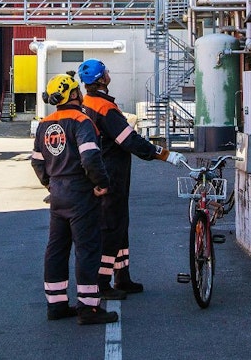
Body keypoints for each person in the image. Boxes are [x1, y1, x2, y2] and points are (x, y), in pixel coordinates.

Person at [78, 58, 184, 296]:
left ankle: (122, 276)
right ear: (102, 78)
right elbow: (129, 140)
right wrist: (163, 154)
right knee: (112, 227)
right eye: (106, 71)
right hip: (111, 175)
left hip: (103, 172)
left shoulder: (88, 103)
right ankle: (103, 283)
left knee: (119, 227)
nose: (108, 74)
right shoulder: (105, 109)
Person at [31, 72, 118, 325]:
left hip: (57, 195)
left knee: (56, 249)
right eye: (77, 91)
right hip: (81, 194)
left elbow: (37, 162)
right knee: (87, 249)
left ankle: (56, 305)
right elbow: (90, 157)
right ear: (72, 94)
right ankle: (89, 308)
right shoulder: (82, 121)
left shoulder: (45, 124)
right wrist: (101, 183)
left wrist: (51, 184)